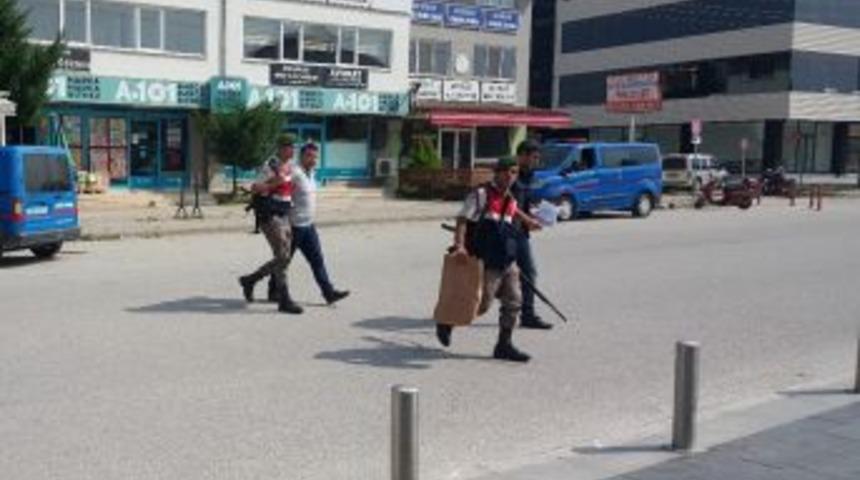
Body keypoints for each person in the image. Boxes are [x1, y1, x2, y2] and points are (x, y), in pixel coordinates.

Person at [437, 157, 542, 362]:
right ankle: (447, 322)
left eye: (514, 172)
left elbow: (512, 210)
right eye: (507, 171)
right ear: (498, 172)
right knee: (481, 304)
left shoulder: (510, 198)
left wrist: (528, 221)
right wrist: (459, 245)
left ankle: (504, 345)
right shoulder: (481, 194)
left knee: (514, 300)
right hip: (486, 259)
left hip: (506, 258)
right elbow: (462, 220)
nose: (511, 176)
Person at [238, 133, 303, 314]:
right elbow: (255, 187)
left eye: (294, 146)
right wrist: (275, 182)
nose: (293, 150)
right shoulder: (270, 165)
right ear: (281, 148)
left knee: (284, 257)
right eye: (290, 146)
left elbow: (290, 189)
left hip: (284, 214)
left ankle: (251, 280)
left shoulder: (290, 166)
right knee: (282, 256)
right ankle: (284, 299)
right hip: (270, 215)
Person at [289, 142, 350, 305]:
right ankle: (257, 282)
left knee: (317, 260)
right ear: (301, 156)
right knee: (282, 261)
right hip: (294, 226)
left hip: (308, 226)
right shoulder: (294, 173)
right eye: (310, 156)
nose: (314, 159)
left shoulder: (311, 173)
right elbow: (284, 195)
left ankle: (328, 293)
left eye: (315, 156)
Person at [510, 140, 553, 330]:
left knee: (527, 272)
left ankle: (527, 314)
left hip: (520, 233)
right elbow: (508, 203)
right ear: (522, 156)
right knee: (490, 277)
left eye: (537, 157)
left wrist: (536, 213)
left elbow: (523, 202)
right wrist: (527, 220)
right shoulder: (510, 174)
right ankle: (457, 312)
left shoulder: (528, 175)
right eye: (534, 157)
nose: (537, 161)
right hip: (505, 233)